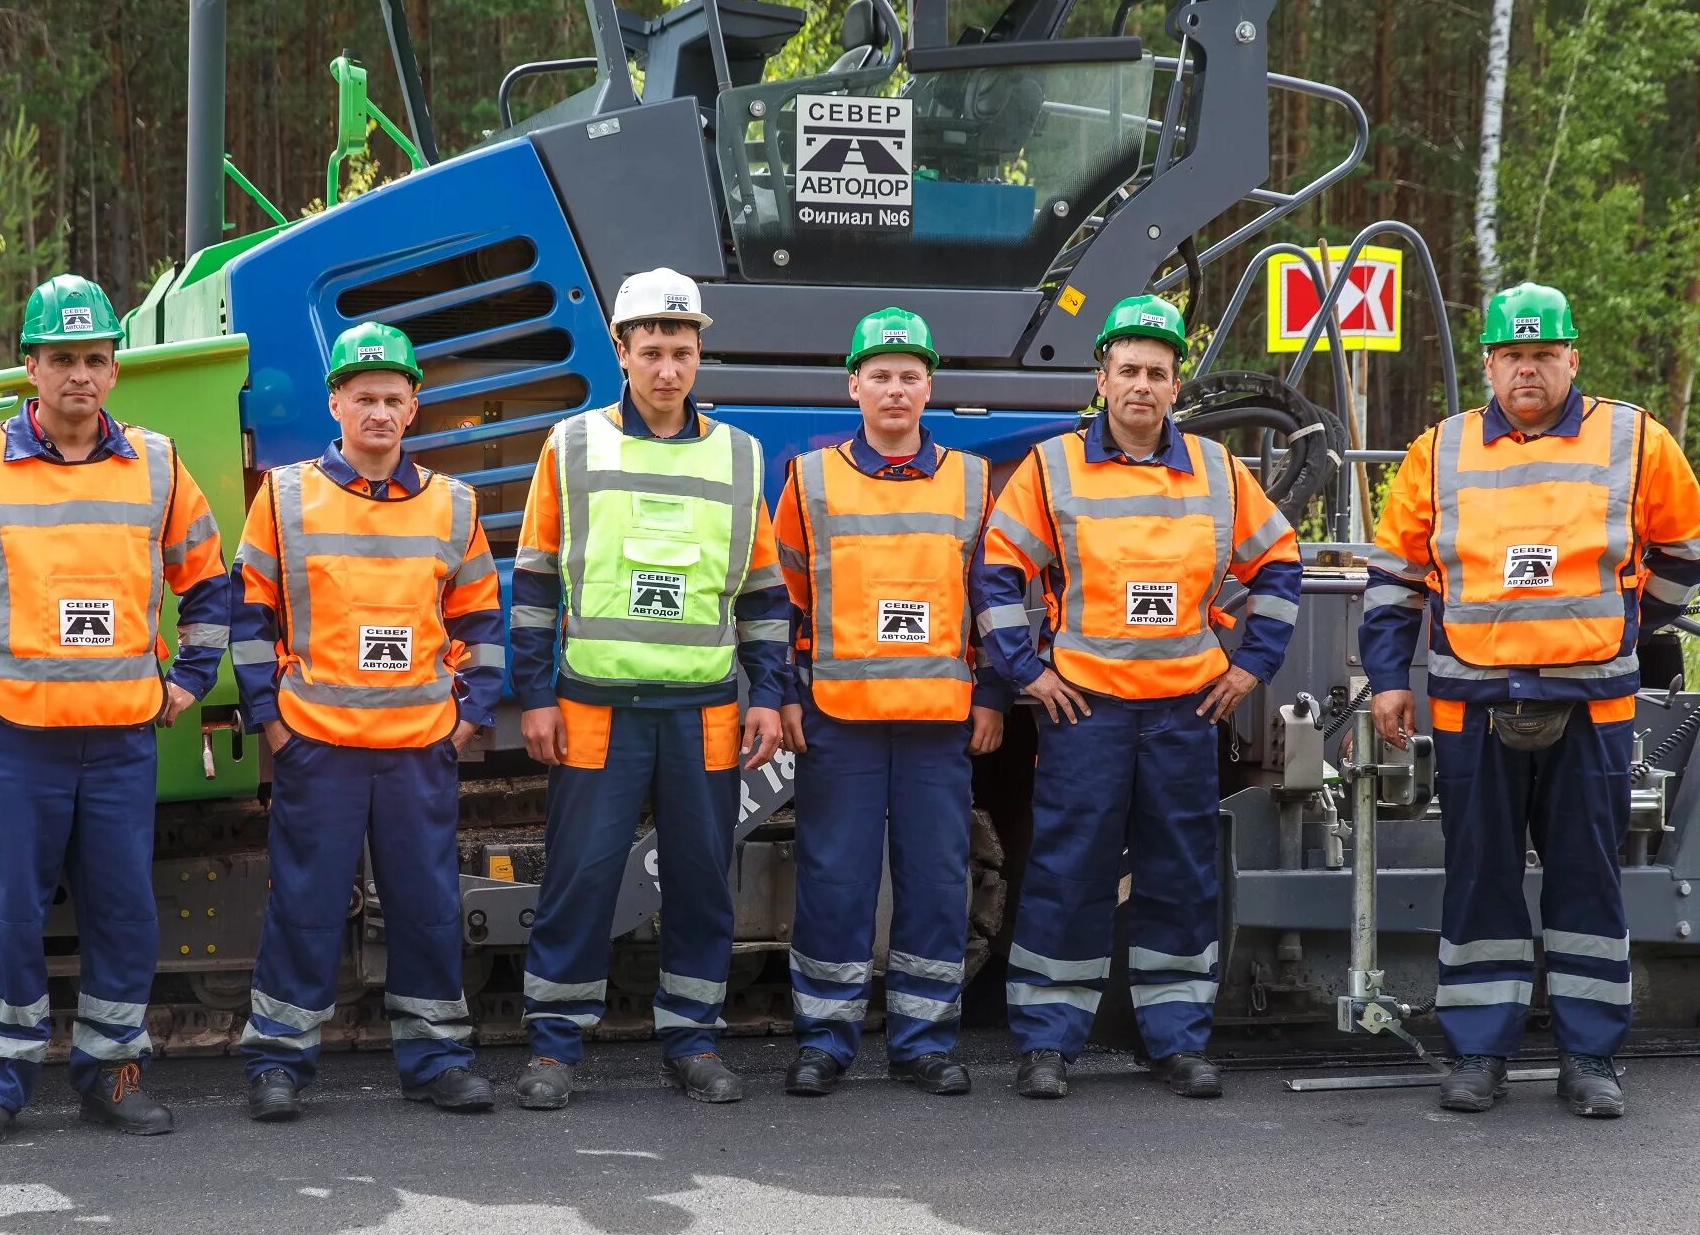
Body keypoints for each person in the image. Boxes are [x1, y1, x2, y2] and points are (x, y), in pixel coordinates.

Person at [0, 274, 230, 1145]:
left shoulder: (160, 465)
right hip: (14, 739)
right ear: (31, 366)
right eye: (62, 359)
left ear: (115, 369)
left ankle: (113, 1073)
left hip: (122, 740)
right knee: (5, 908)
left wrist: (189, 678)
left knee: (123, 910)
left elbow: (210, 583)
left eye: (96, 359)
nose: (80, 377)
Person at [1360, 282, 1700, 1119]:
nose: (1528, 370)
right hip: (1469, 705)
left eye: (1543, 355)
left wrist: (1634, 619)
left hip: (1591, 704)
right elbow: (1393, 581)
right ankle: (1478, 1053)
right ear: (1488, 362)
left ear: (1572, 359)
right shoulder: (1440, 451)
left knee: (1588, 878)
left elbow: (1691, 548)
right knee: (1479, 879)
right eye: (1513, 355)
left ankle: (1589, 1057)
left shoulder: (1634, 439)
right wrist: (1385, 680)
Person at [973, 294, 1301, 1101]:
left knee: (1181, 874)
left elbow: (1280, 564)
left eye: (1157, 371)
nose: (1142, 385)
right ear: (1102, 378)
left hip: (1184, 710)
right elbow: (997, 572)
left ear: (1177, 383)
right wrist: (1027, 670)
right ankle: (1048, 1042)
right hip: (1085, 708)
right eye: (1128, 369)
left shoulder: (1221, 474)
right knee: (1067, 870)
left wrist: (1251, 665)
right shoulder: (1053, 469)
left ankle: (1177, 1039)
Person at [508, 267, 788, 1109]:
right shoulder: (571, 445)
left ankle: (693, 1041)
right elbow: (534, 580)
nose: (668, 367)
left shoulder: (741, 456)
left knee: (702, 880)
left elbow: (764, 593)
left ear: (699, 355)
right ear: (621, 352)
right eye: (653, 349)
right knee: (580, 878)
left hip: (702, 707)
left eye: (683, 350)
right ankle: (554, 1047)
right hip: (594, 705)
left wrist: (768, 693)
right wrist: (533, 694)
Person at [228, 321, 504, 1121]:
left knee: (426, 906)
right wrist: (271, 724)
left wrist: (466, 721)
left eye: (393, 397)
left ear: (414, 407)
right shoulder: (282, 498)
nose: (378, 411)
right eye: (363, 397)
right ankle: (279, 1061)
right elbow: (250, 616)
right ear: (336, 403)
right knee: (304, 904)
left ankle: (437, 1058)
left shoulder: (453, 504)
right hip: (319, 745)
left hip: (420, 749)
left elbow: (482, 620)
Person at [774, 307, 1004, 1098]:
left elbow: (998, 601)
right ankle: (825, 1041)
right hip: (839, 716)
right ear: (854, 386)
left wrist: (993, 698)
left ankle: (923, 1041)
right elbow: (784, 600)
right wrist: (786, 693)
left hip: (939, 723)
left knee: (938, 881)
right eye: (881, 374)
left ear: (928, 386)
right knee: (834, 880)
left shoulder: (973, 481)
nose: (895, 389)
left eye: (910, 375)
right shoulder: (808, 482)